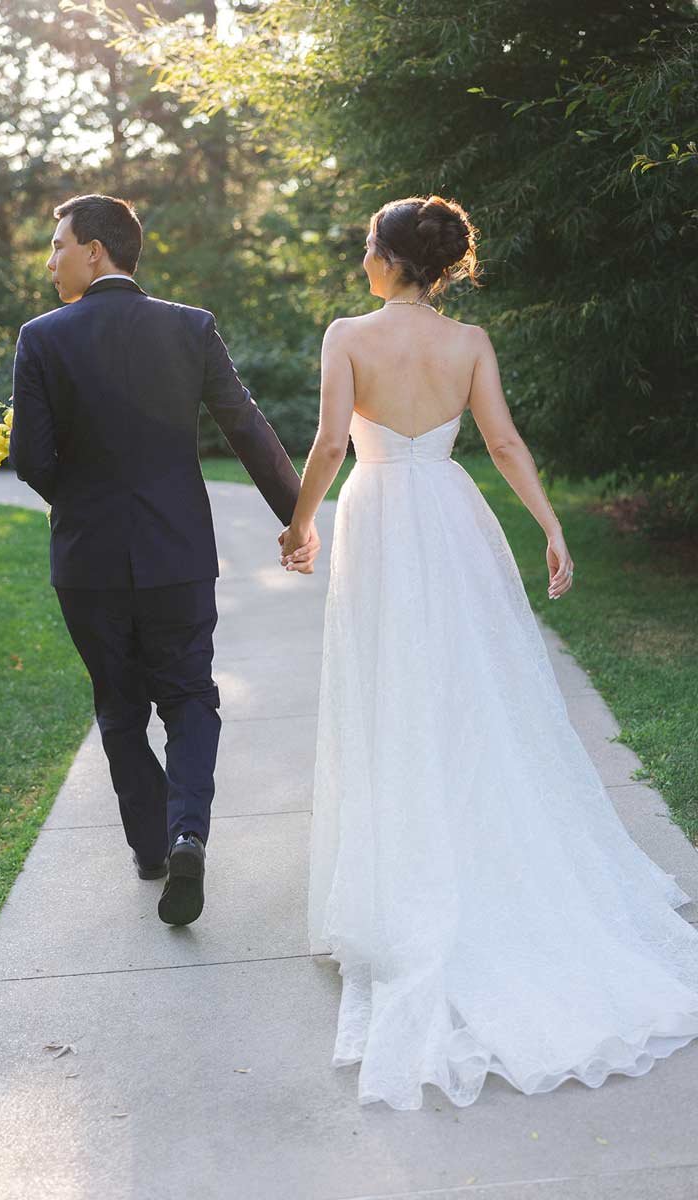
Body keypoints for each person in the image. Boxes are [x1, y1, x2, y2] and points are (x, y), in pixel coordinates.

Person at [279, 193, 698, 1109]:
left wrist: (301, 522)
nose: (361, 260)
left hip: (384, 519)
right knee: (472, 691)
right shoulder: (467, 344)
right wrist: (550, 524)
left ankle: (412, 876)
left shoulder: (347, 334)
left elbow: (325, 443)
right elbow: (503, 442)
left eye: (365, 247)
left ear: (387, 258)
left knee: (394, 695)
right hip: (454, 519)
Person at [8, 193, 320, 929]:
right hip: (178, 553)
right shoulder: (190, 327)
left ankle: (151, 850)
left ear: (96, 250)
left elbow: (30, 459)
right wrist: (296, 519)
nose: (50, 259)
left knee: (119, 705)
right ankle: (189, 834)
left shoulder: (42, 337)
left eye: (57, 244)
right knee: (188, 696)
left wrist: (77, 501)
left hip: (87, 564)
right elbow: (245, 424)